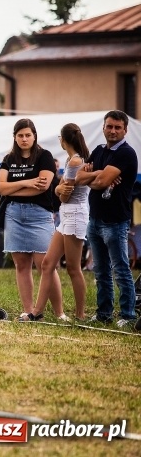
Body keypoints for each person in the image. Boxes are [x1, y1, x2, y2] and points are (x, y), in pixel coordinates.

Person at [76, 110, 138, 327]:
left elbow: (101, 182)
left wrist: (95, 177)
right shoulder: (99, 150)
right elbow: (79, 177)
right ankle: (104, 314)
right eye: (109, 126)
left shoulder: (126, 153)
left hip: (116, 222)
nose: (113, 131)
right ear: (103, 128)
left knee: (120, 270)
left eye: (117, 127)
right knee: (101, 271)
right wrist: (98, 174)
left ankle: (128, 315)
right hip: (94, 220)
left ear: (125, 130)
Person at [0, 118, 58, 321]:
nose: (24, 139)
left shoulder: (44, 156)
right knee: (21, 265)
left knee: (45, 265)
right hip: (13, 214)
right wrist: (28, 182)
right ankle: (29, 311)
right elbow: (0, 188)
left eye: (28, 135)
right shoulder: (8, 159)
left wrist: (13, 189)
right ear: (15, 137)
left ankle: (59, 313)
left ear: (34, 136)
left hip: (39, 214)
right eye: (20, 135)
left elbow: (42, 187)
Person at [31, 124, 90, 321]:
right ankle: (37, 311)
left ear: (62, 140)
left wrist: (58, 190)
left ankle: (80, 315)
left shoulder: (75, 161)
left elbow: (64, 195)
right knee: (48, 263)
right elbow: (60, 189)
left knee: (73, 268)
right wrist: (59, 189)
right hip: (66, 216)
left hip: (75, 215)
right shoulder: (71, 160)